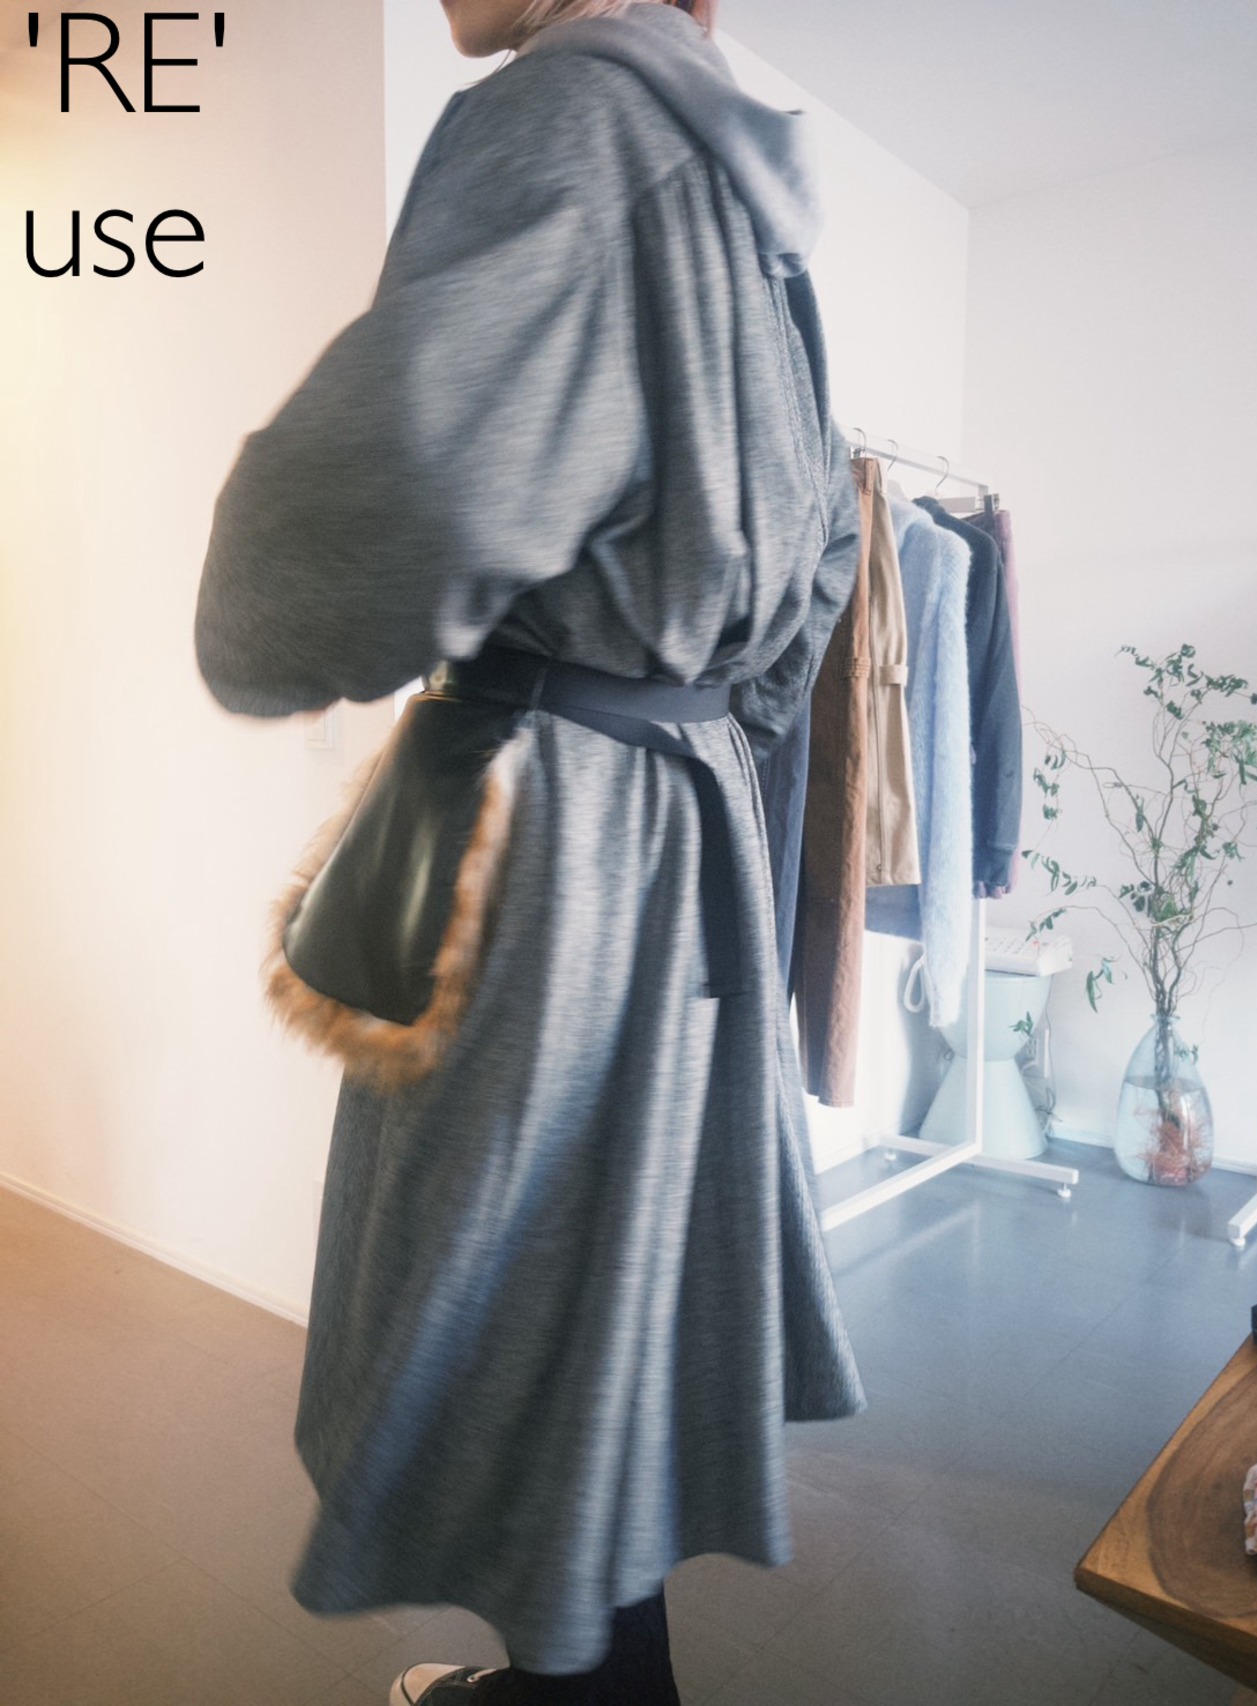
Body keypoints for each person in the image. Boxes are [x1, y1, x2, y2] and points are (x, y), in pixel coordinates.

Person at [193, 0, 866, 1699]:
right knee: (601, 1325)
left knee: (499, 1314)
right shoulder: (743, 178)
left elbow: (402, 478)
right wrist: (698, 715)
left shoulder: (566, 117)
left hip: (550, 846)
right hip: (684, 820)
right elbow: (822, 549)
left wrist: (254, 615)